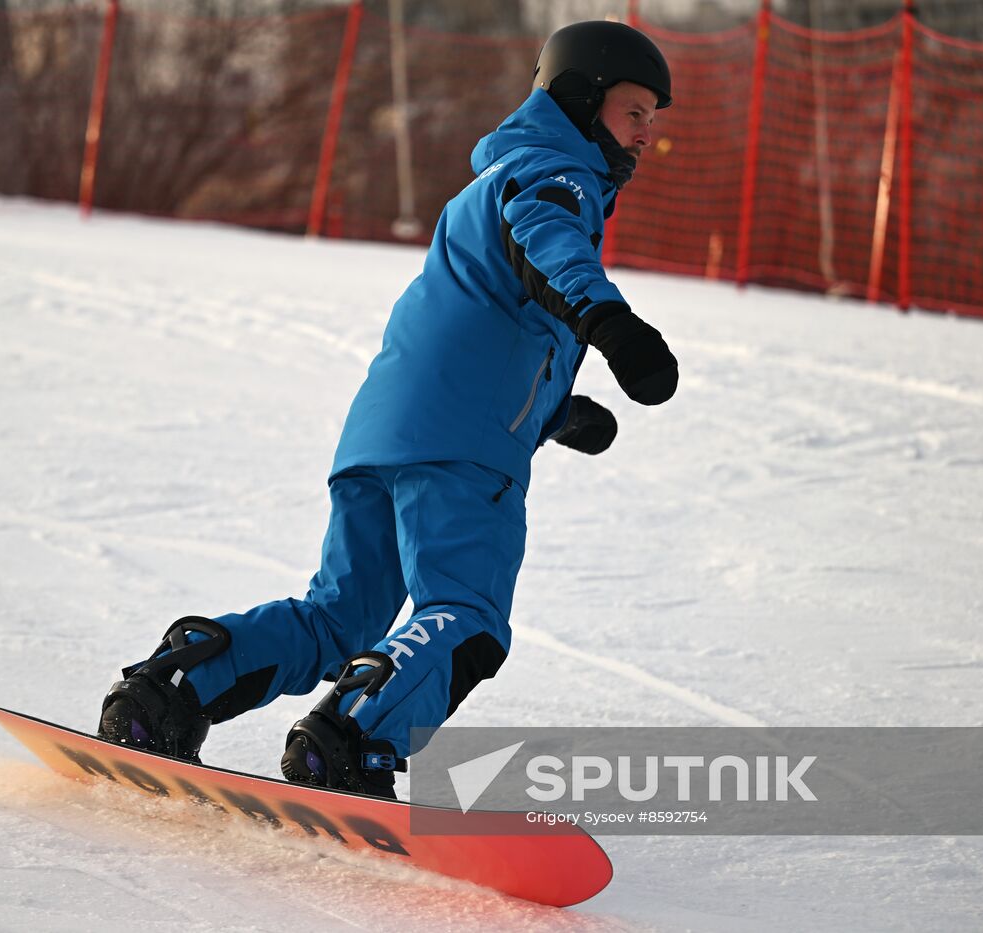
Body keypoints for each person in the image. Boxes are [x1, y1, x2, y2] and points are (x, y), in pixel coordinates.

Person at [97, 21, 679, 799]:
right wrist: (612, 324)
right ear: (581, 98)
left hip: (386, 432)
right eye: (634, 112)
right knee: (465, 613)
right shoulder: (556, 176)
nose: (646, 137)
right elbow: (548, 250)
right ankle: (353, 735)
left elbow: (489, 325)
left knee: (340, 617)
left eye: (653, 120)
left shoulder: (494, 177)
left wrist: (557, 415)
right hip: (463, 452)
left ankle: (171, 691)